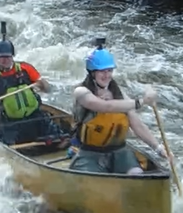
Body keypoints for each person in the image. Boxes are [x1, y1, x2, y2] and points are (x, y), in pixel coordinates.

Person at [70, 41, 170, 175]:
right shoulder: (81, 92)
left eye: (109, 71)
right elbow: (106, 107)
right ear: (92, 72)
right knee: (94, 182)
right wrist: (143, 101)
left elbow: (137, 126)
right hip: (90, 153)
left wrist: (158, 148)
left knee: (136, 174)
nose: (106, 75)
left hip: (119, 152)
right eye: (102, 71)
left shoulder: (119, 94)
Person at [0, 27, 62, 146]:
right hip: (9, 123)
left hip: (34, 116)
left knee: (58, 137)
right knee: (12, 141)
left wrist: (43, 84)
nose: (5, 60)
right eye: (1, 57)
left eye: (8, 56)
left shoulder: (26, 68)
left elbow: (46, 88)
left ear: (12, 56)